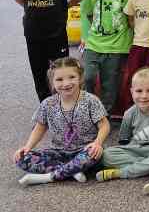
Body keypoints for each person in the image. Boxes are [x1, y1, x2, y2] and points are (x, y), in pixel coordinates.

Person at [14, 57, 109, 185]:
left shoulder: (91, 100)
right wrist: (27, 147)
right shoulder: (48, 103)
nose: (66, 83)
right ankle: (72, 171)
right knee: (21, 158)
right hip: (58, 152)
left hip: (84, 150)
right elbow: (39, 128)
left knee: (93, 154)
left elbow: (104, 125)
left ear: (80, 78)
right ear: (52, 82)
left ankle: (48, 177)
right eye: (59, 79)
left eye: (72, 77)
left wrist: (97, 143)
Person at [12, 0, 83, 102]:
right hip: (33, 34)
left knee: (62, 69)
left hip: (57, 34)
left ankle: (64, 100)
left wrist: (65, 6)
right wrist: (28, 7)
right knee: (38, 71)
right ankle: (45, 103)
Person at [83, 0, 137, 113]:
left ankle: (105, 115)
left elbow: (135, 10)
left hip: (117, 45)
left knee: (110, 84)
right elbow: (90, 13)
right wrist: (96, 30)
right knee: (87, 77)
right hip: (94, 43)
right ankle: (89, 109)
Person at [95, 67, 149, 181]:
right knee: (106, 155)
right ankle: (147, 167)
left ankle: (124, 172)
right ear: (132, 92)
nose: (144, 96)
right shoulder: (129, 113)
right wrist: (128, 151)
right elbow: (124, 140)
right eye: (139, 91)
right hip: (134, 149)